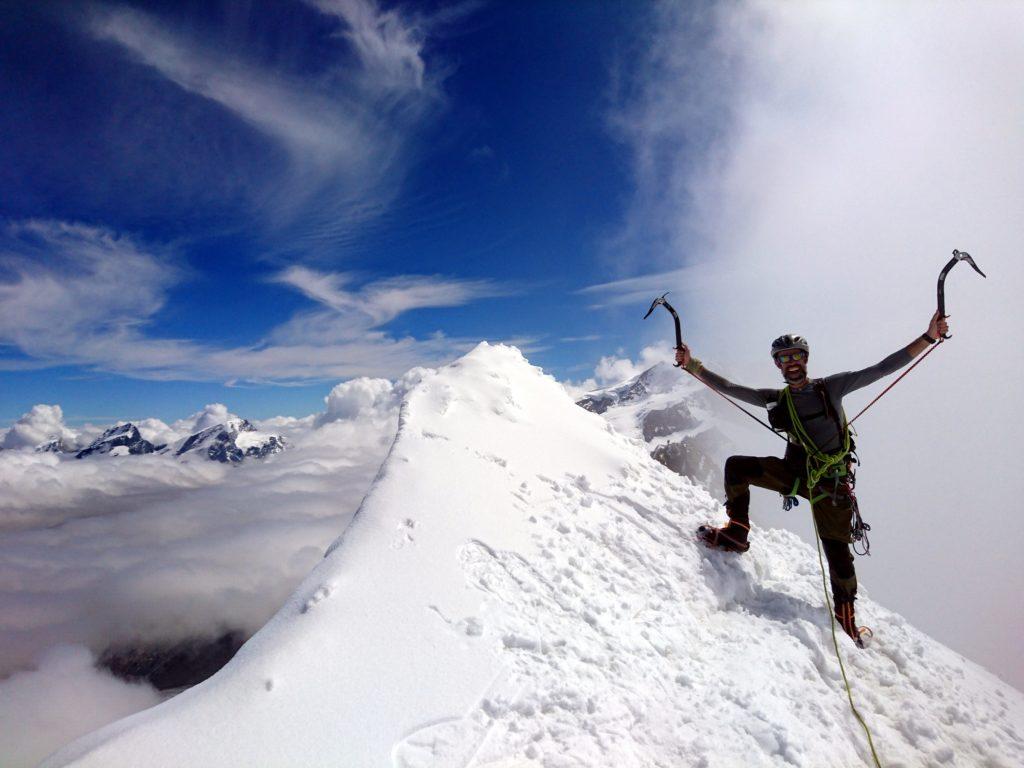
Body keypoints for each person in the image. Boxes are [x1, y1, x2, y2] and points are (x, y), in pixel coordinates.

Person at [674, 311, 948, 646]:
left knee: (838, 552)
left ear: (805, 359)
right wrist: (692, 365)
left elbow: (880, 369)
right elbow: (732, 388)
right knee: (737, 467)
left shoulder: (831, 388)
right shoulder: (777, 398)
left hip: (830, 485)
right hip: (797, 475)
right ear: (777, 364)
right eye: (783, 358)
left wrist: (929, 337)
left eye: (795, 356)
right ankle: (737, 533)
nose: (790, 362)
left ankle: (846, 617)